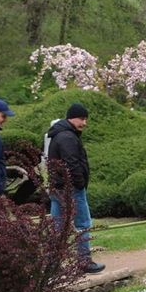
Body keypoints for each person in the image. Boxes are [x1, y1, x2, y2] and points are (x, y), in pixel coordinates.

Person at [46, 103, 104, 274]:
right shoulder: (68, 137)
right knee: (83, 223)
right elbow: (72, 164)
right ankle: (84, 261)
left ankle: (53, 263)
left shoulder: (60, 134)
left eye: (86, 119)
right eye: (82, 118)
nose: (84, 122)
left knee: (58, 225)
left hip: (58, 187)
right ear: (71, 117)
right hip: (70, 189)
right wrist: (79, 185)